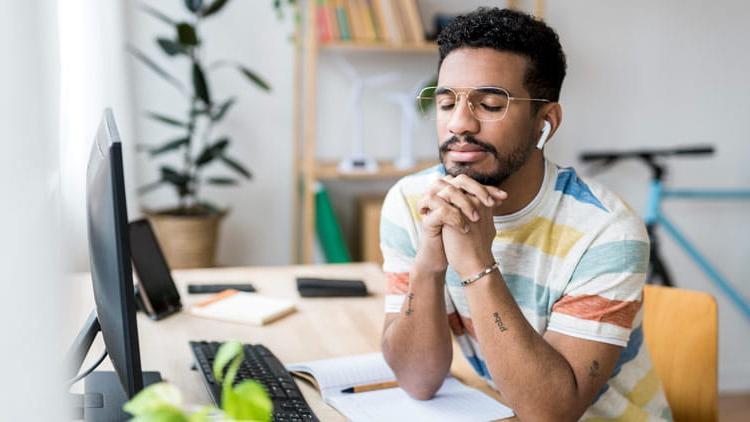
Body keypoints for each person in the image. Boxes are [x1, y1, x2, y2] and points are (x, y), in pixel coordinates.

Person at [379, 7, 672, 421]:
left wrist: (475, 261)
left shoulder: (607, 232)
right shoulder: (411, 203)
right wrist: (429, 262)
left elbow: (550, 413)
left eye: (491, 104)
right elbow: (417, 380)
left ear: (545, 123)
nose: (459, 123)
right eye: (446, 102)